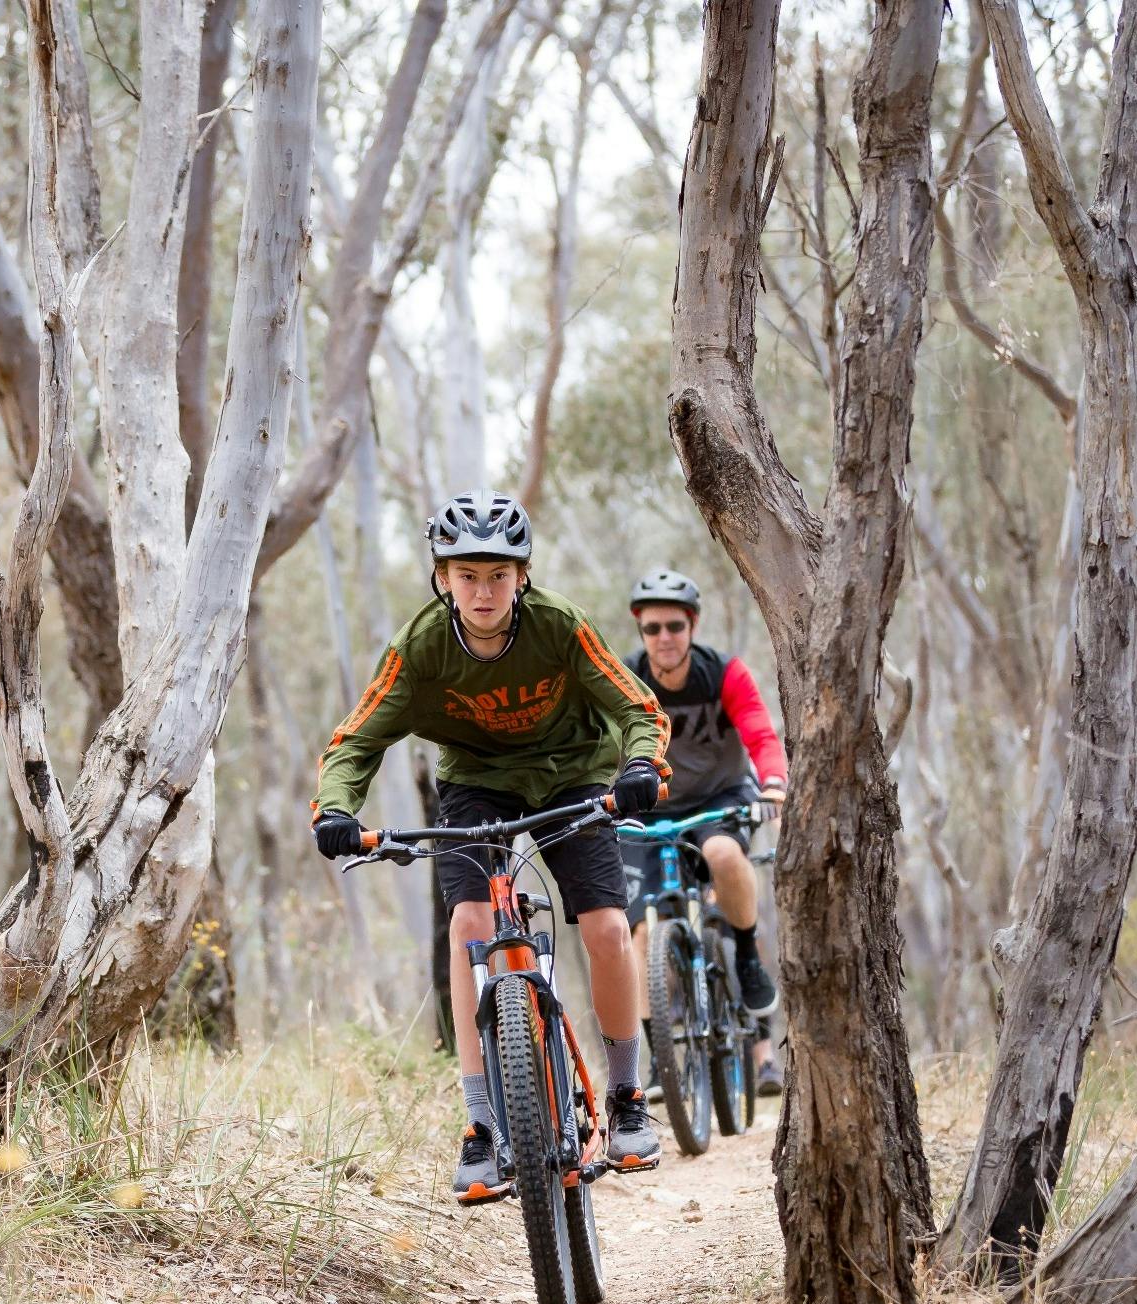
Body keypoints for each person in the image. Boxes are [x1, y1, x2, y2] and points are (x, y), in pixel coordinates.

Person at [310, 491, 673, 1202]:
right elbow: (355, 740)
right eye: (467, 574)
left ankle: (628, 1097)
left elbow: (639, 707)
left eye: (498, 575)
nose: (483, 590)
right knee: (470, 925)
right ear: (442, 576)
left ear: (523, 576)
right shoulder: (419, 650)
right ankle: (481, 1127)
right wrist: (336, 809)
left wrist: (639, 766)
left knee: (604, 926)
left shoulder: (559, 627)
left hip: (576, 776)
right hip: (477, 786)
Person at [622, 569, 789, 1096]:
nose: (664, 637)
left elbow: (760, 733)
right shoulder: (625, 681)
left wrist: (775, 784)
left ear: (691, 626)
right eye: (653, 628)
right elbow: (597, 744)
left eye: (675, 625)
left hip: (720, 798)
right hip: (649, 809)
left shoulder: (724, 674)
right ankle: (658, 1061)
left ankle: (742, 950)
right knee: (643, 933)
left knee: (721, 851)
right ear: (641, 630)